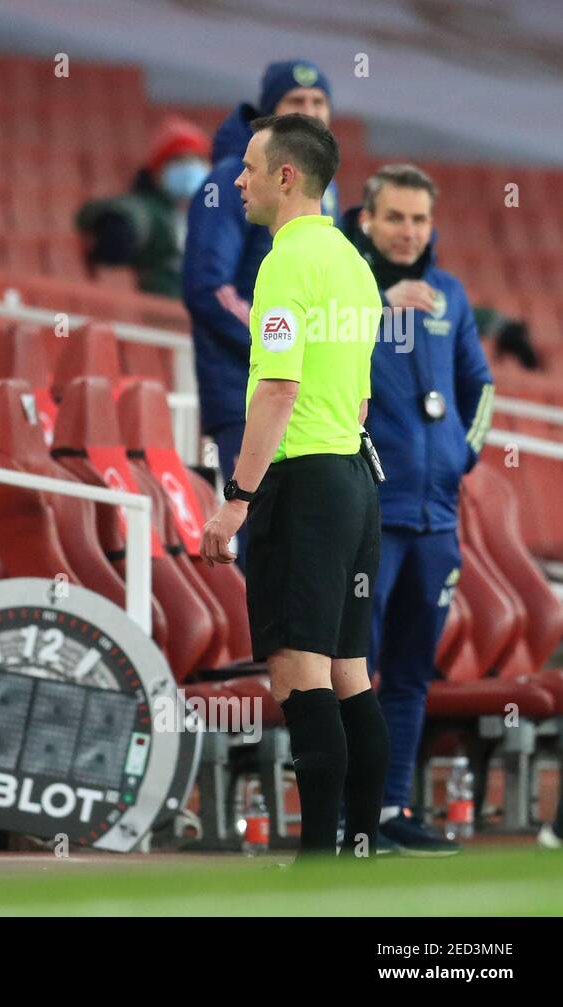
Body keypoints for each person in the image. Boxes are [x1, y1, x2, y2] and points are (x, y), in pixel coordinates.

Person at [199, 114, 387, 859]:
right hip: (354, 480)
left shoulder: (284, 265)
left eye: (248, 167)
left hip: (302, 485)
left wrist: (237, 498)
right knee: (350, 676)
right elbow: (364, 395)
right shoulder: (353, 262)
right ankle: (361, 850)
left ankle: (315, 871)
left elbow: (278, 387)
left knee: (300, 677)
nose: (237, 181)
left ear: (286, 177)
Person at [342, 164, 494, 855]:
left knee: (407, 674)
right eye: (394, 217)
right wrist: (375, 304)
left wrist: (460, 457)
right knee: (350, 668)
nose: (408, 231)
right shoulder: (340, 287)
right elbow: (306, 357)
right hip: (369, 511)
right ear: (366, 218)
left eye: (419, 220)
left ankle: (391, 807)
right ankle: (346, 815)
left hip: (437, 519)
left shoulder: (451, 298)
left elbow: (480, 389)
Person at [183, 60, 339, 484]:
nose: (310, 110)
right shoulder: (231, 180)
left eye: (319, 101)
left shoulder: (326, 189)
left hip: (305, 395)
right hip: (244, 394)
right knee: (257, 528)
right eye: (296, 100)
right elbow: (208, 288)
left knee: (297, 537)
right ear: (271, 112)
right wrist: (280, 343)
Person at [74, 116, 211, 297]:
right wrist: (119, 223)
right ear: (157, 171)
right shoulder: (151, 209)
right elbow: (132, 212)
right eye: (178, 160)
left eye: (196, 159)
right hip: (164, 315)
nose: (190, 167)